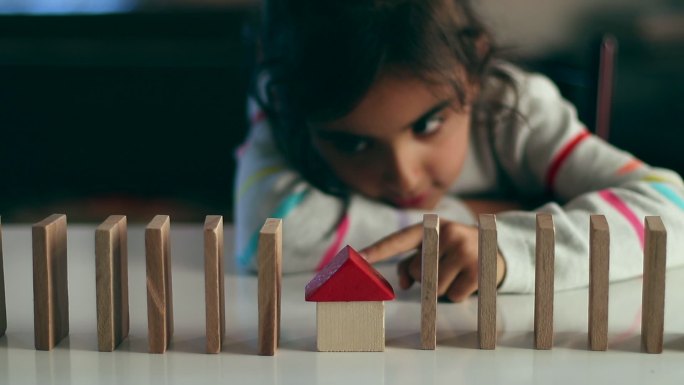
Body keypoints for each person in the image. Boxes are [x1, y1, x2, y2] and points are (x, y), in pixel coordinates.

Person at [234, 0, 684, 301]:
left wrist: (505, 246)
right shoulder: (287, 109)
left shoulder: (512, 107)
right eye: (353, 143)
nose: (404, 176)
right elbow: (269, 238)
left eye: (428, 125)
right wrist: (495, 212)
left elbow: (671, 208)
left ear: (474, 72)